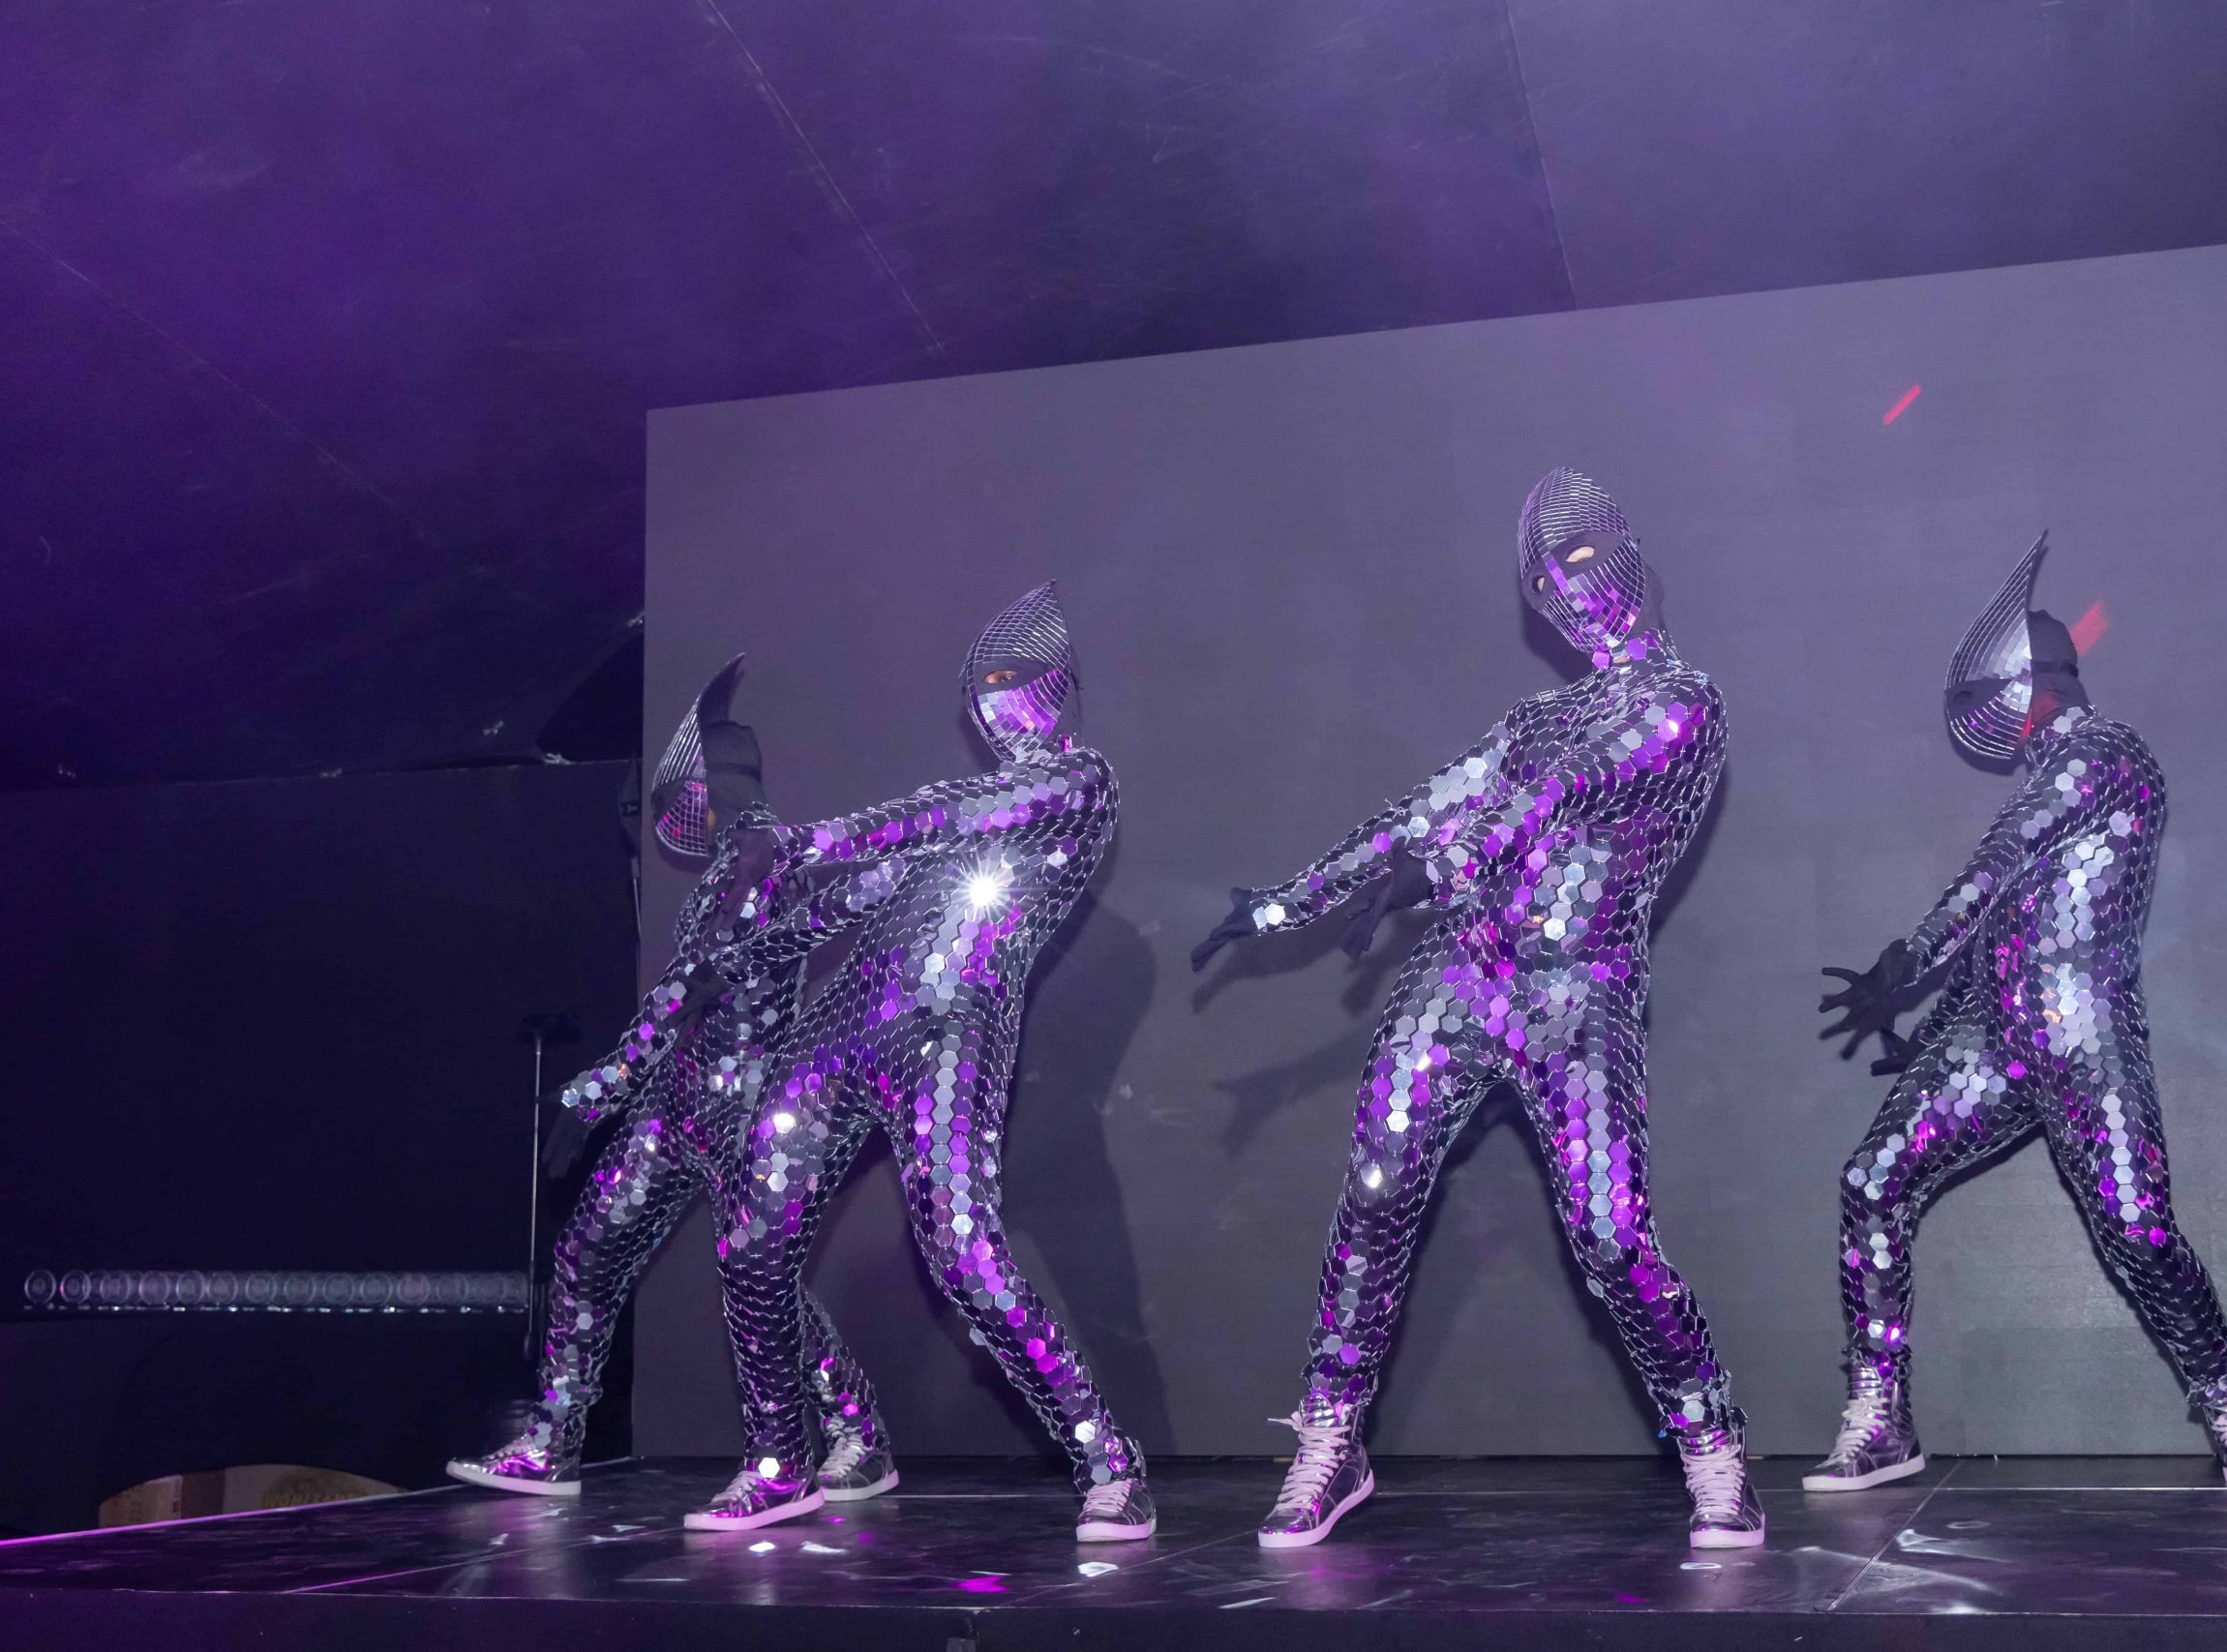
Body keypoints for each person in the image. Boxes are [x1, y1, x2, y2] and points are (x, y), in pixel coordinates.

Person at [1193, 469, 1762, 1550]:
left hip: (1580, 993)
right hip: (1457, 978)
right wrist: (1281, 905)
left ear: (1630, 556)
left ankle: (1711, 1444)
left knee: (1612, 1238)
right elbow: (1422, 810)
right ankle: (1331, 1439)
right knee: (1373, 1201)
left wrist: (1454, 857)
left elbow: (1567, 788)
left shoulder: (1684, 701)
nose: (1567, 590)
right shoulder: (1533, 717)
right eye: (1545, 580)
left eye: (1580, 560)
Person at [1807, 533, 2227, 1493]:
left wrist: (1910, 955)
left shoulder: (2106, 755)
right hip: (1992, 1042)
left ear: (2033, 681)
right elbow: (2007, 924)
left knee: (2138, 1229)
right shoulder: (2045, 776)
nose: (1983, 713)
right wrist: (1930, 1036)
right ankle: (1881, 1418)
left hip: (2086, 1038)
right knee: (1872, 1183)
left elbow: (1998, 865)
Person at [682, 584, 1155, 1541]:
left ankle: (1109, 1462)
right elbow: (853, 896)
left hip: (952, 1033)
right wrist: (738, 953)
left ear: (1057, 689)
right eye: (981, 692)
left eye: (1012, 684)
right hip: (838, 1031)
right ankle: (783, 1461)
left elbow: (939, 815)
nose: (996, 706)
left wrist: (807, 841)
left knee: (963, 1255)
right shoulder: (950, 825)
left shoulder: (1075, 784)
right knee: (750, 1239)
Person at [448, 660, 893, 1511]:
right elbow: (685, 1000)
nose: (673, 815)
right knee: (589, 1249)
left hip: (743, 1115)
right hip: (682, 1103)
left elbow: (684, 993)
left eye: (683, 794)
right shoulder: (735, 862)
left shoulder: (764, 858)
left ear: (709, 786)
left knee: (757, 1281)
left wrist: (595, 1091)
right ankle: (553, 1444)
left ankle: (849, 1436)